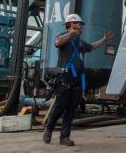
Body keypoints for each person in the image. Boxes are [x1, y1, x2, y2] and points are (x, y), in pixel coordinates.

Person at [42, 14, 114, 146]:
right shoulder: (64, 36)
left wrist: (104, 39)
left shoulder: (79, 41)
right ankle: (49, 129)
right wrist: (71, 33)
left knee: (71, 110)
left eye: (80, 25)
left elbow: (91, 47)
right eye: (79, 24)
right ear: (71, 24)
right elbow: (57, 43)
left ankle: (64, 137)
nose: (81, 27)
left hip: (77, 82)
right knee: (59, 108)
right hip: (64, 80)